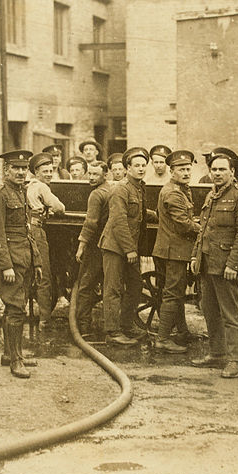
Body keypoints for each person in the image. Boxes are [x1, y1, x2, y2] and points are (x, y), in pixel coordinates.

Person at [190, 148, 238, 378]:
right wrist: (196, 256)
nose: (217, 173)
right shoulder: (211, 195)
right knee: (209, 311)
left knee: (230, 315)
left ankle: (235, 360)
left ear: (232, 172)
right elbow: (204, 230)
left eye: (222, 170)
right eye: (214, 169)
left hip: (227, 267)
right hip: (208, 265)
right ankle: (216, 353)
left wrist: (233, 265)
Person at [0, 150, 43, 379]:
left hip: (24, 258)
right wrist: (6, 265)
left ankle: (10, 353)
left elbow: (28, 231)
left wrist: (36, 260)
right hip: (10, 261)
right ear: (6, 170)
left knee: (15, 307)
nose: (20, 172)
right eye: (15, 168)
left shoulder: (21, 193)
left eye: (23, 168)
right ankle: (16, 360)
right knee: (15, 308)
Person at [98, 147, 156, 345]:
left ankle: (126, 324)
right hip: (115, 246)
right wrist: (130, 249)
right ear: (127, 168)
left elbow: (136, 213)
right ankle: (113, 333)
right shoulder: (120, 189)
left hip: (129, 246)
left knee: (135, 285)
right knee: (113, 288)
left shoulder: (139, 187)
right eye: (136, 166)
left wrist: (154, 215)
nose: (141, 169)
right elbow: (118, 220)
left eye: (143, 165)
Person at [151, 150, 201, 353]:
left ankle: (182, 331)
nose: (187, 172)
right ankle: (162, 339)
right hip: (174, 250)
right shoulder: (173, 192)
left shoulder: (181, 189)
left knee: (177, 291)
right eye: (181, 169)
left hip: (173, 249)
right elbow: (182, 225)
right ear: (172, 171)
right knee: (172, 294)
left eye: (189, 168)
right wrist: (203, 229)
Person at [26, 152, 66, 330]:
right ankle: (44, 319)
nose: (49, 174)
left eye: (51, 170)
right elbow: (60, 207)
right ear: (36, 171)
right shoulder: (41, 187)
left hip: (25, 231)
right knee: (44, 274)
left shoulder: (27, 185)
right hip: (37, 231)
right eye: (45, 171)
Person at [75, 161, 112, 338]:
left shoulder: (97, 195)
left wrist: (81, 246)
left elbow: (90, 223)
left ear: (105, 175)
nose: (91, 177)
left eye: (95, 174)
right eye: (89, 174)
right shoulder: (112, 190)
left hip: (95, 246)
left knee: (85, 285)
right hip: (109, 246)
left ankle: (83, 326)